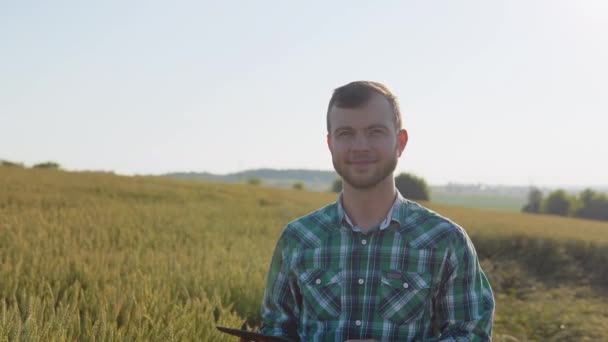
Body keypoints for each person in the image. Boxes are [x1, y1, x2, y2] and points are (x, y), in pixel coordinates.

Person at [258, 81, 494, 341]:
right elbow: (275, 328)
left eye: (375, 132)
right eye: (346, 133)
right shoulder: (298, 239)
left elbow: (471, 334)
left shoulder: (446, 241)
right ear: (330, 144)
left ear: (400, 142)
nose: (360, 146)